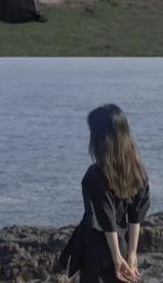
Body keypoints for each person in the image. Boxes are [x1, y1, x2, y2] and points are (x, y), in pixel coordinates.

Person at [59, 104, 150, 283]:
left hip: (97, 249)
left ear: (101, 138)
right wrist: (131, 254)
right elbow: (135, 216)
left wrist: (117, 258)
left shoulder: (96, 174)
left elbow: (105, 220)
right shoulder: (138, 171)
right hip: (122, 242)